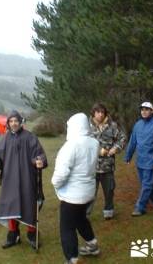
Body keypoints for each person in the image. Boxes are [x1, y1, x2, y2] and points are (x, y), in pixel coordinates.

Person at [0, 110, 47, 249]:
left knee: (29, 205)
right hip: (9, 179)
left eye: (16, 121)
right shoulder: (4, 139)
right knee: (11, 205)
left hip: (27, 178)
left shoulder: (30, 137)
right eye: (11, 121)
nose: (14, 123)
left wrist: (40, 161)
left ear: (20, 122)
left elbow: (39, 154)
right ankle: (13, 235)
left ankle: (32, 235)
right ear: (8, 123)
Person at [52, 113, 101, 264]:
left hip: (72, 196)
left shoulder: (70, 146)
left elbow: (61, 174)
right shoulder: (94, 143)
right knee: (81, 219)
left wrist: (55, 183)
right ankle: (92, 245)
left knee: (67, 228)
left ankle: (71, 259)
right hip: (88, 192)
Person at [124, 102, 153, 217]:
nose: (144, 111)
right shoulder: (137, 125)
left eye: (147, 109)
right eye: (142, 109)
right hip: (140, 159)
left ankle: (140, 207)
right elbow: (132, 141)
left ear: (152, 111)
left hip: (151, 159)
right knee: (146, 183)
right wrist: (128, 156)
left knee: (146, 184)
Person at [88, 103, 126, 220]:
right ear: (93, 113)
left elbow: (122, 138)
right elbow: (82, 143)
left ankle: (108, 211)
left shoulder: (112, 126)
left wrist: (116, 148)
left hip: (107, 166)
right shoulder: (87, 127)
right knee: (89, 193)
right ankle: (85, 214)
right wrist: (99, 151)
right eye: (98, 112)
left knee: (109, 190)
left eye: (102, 112)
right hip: (91, 167)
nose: (100, 114)